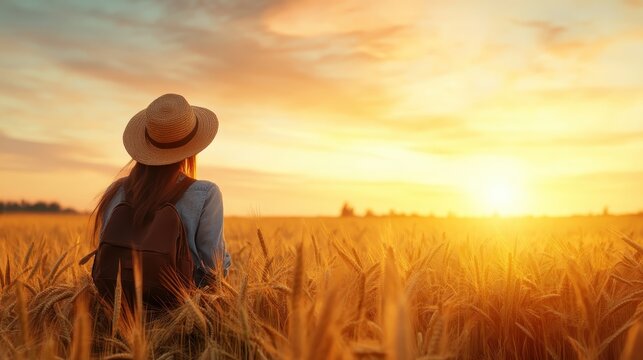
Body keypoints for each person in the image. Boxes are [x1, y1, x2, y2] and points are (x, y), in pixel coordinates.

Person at [90, 93, 231, 289]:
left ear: (145, 145)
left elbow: (106, 258)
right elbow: (213, 269)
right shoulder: (206, 193)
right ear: (192, 150)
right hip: (183, 309)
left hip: (117, 308)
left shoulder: (116, 191)